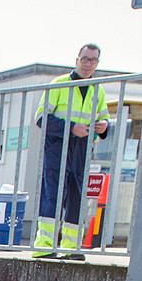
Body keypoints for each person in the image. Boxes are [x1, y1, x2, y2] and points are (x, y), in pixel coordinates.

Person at [34, 44, 111, 258]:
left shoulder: (98, 89)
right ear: (76, 59)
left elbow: (103, 118)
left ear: (97, 63)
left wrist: (104, 125)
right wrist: (70, 127)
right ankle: (44, 245)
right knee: (53, 195)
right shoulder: (59, 84)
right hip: (58, 147)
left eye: (92, 60)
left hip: (82, 149)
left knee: (77, 196)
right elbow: (41, 118)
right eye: (84, 59)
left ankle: (71, 247)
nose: (88, 64)